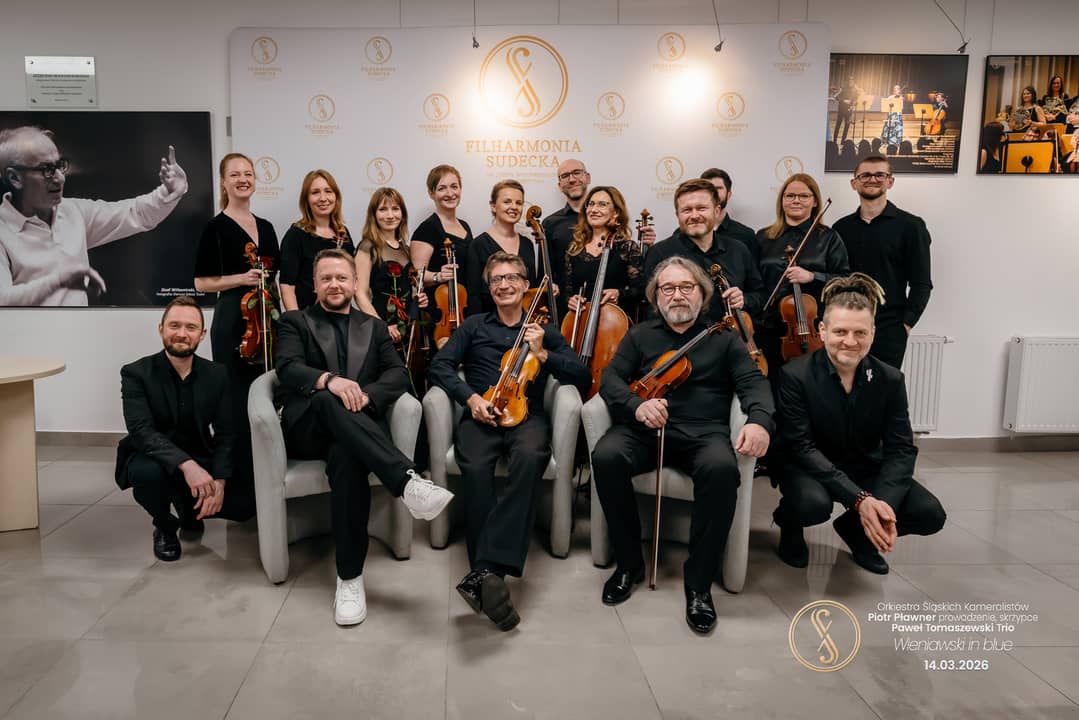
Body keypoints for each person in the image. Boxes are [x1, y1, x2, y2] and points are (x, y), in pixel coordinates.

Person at [591, 256, 773, 634]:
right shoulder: (640, 335)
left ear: (701, 294)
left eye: (686, 287)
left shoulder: (724, 339)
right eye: (668, 288)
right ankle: (629, 565)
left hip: (704, 432)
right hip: (646, 429)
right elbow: (610, 380)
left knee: (722, 471)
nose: (677, 295)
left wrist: (758, 421)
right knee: (606, 456)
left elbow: (754, 384)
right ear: (656, 296)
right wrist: (637, 407)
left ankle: (699, 583)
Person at [275, 248, 454, 626]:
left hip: (354, 434)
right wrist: (330, 381)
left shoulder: (373, 327)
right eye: (326, 278)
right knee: (328, 399)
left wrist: (366, 397)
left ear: (355, 283)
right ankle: (406, 481)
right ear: (315, 284)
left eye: (342, 278)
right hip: (309, 428)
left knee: (347, 457)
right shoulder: (295, 321)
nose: (334, 284)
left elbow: (397, 374)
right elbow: (288, 368)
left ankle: (349, 579)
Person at [428, 251, 591, 631]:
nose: (504, 285)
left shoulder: (543, 330)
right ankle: (491, 575)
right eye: (497, 279)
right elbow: (440, 366)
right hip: (482, 413)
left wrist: (543, 352)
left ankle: (485, 571)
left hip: (526, 416)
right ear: (489, 287)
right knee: (474, 465)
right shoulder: (473, 326)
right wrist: (471, 399)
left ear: (525, 285)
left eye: (512, 278)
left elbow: (581, 377)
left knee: (531, 458)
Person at [772, 273, 946, 574]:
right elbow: (801, 447)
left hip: (865, 465)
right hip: (810, 467)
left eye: (860, 333)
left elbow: (901, 449)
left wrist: (882, 506)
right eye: (840, 331)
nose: (850, 342)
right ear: (822, 330)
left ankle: (856, 532)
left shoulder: (890, 379)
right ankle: (790, 525)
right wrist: (860, 499)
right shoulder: (794, 375)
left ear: (873, 333)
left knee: (930, 514)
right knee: (811, 505)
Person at [116, 296, 254, 562]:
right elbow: (141, 432)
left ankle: (188, 507)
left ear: (202, 334)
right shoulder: (136, 373)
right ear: (161, 329)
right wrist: (189, 467)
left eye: (191, 327)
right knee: (148, 474)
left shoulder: (217, 374)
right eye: (174, 325)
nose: (181, 334)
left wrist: (219, 481)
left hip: (199, 453)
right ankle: (165, 525)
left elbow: (226, 433)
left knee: (243, 506)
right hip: (153, 458)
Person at [0, 126, 187, 306]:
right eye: (46, 170)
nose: (60, 178)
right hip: (29, 329)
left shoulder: (73, 212)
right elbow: (3, 300)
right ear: (15, 178)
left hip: (81, 327)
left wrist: (169, 191)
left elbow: (136, 213)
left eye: (59, 165)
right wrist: (58, 281)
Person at [193, 153, 280, 493]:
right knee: (235, 400)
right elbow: (202, 282)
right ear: (224, 182)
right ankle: (239, 485)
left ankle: (269, 478)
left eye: (248, 173)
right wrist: (241, 279)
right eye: (235, 174)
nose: (243, 179)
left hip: (266, 316)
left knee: (269, 394)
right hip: (233, 318)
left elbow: (273, 276)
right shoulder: (215, 227)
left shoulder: (267, 227)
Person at [832, 156, 933, 369]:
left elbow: (921, 283)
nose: (872, 179)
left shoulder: (911, 227)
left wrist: (906, 325)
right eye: (865, 175)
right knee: (841, 386)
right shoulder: (841, 228)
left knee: (882, 387)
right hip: (847, 324)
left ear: (890, 181)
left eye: (880, 175)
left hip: (889, 327)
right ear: (854, 183)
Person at [754, 172, 849, 381]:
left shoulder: (828, 238)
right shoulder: (764, 237)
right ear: (782, 201)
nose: (796, 200)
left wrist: (813, 276)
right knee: (770, 386)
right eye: (790, 196)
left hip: (811, 331)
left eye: (804, 196)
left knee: (810, 387)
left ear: (815, 201)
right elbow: (753, 281)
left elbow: (844, 280)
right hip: (769, 327)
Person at [645, 179, 763, 326]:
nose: (694, 216)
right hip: (680, 338)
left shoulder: (738, 249)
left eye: (701, 208)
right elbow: (650, 309)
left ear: (716, 211)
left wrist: (744, 300)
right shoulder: (659, 253)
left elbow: (760, 295)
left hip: (731, 335)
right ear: (677, 215)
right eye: (687, 210)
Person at [354, 186, 428, 347]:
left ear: (402, 214)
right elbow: (359, 293)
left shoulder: (406, 249)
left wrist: (418, 298)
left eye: (395, 209)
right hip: (381, 328)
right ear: (374, 214)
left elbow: (407, 287)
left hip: (407, 330)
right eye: (383, 209)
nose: (390, 215)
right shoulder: (367, 247)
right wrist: (381, 327)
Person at [563, 186, 644, 320]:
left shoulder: (627, 248)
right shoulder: (574, 249)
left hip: (615, 323)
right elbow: (567, 291)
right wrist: (570, 300)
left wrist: (619, 294)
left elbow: (643, 291)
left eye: (602, 205)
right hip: (582, 321)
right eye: (591, 204)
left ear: (616, 212)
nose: (594, 210)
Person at [278, 169, 355, 311]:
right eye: (315, 193)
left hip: (339, 315)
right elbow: (287, 286)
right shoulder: (296, 235)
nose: (323, 198)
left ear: (336, 196)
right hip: (307, 317)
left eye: (328, 191)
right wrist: (297, 320)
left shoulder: (343, 234)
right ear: (306, 199)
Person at [465, 180, 537, 316]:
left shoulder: (527, 244)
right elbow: (474, 296)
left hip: (523, 321)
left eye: (519, 203)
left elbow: (531, 288)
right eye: (507, 202)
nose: (514, 207)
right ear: (493, 206)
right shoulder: (478, 245)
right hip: (488, 321)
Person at [410, 164, 473, 291]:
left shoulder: (464, 226)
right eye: (442, 188)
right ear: (431, 193)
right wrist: (437, 276)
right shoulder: (426, 229)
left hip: (465, 299)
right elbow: (416, 275)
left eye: (454, 187)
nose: (450, 193)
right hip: (440, 300)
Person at [699, 168, 756, 255]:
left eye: (718, 188)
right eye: (708, 188)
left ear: (728, 194)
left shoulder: (746, 235)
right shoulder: (684, 234)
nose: (713, 193)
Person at [832, 75, 860, 144]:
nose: (851, 82)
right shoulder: (843, 88)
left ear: (854, 82)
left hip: (849, 110)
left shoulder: (855, 90)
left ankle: (842, 141)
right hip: (841, 109)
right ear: (847, 81)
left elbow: (856, 100)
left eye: (852, 81)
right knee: (838, 125)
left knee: (847, 127)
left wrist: (853, 104)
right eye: (850, 81)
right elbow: (836, 97)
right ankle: (834, 141)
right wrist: (843, 100)